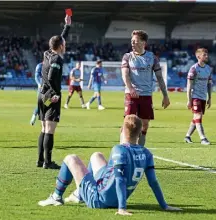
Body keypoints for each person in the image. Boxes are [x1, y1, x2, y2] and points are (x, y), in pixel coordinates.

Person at [38, 115, 182, 215]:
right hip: (116, 195)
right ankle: (80, 194)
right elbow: (153, 182)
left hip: (100, 200)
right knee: (96, 156)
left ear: (121, 130)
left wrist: (122, 208)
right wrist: (164, 205)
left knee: (71, 158)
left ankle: (56, 197)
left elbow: (119, 179)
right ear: (140, 134)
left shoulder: (119, 150)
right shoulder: (147, 153)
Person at [121, 30, 170, 146]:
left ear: (143, 43)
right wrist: (131, 88)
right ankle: (123, 150)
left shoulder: (152, 57)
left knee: (145, 124)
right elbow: (125, 74)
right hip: (131, 94)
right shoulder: (127, 57)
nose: (132, 43)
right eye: (131, 41)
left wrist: (165, 95)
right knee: (128, 123)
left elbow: (159, 77)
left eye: (135, 41)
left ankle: (140, 150)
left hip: (146, 95)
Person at [36, 14, 71, 169]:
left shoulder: (47, 53)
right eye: (64, 43)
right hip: (51, 95)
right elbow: (51, 77)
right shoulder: (57, 59)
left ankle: (40, 161)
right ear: (61, 46)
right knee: (50, 129)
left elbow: (59, 40)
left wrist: (67, 26)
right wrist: (54, 93)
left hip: (41, 94)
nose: (66, 44)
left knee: (44, 127)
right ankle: (48, 162)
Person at [184, 48, 212, 145]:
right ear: (198, 56)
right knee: (198, 116)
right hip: (195, 96)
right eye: (204, 55)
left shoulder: (208, 69)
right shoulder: (194, 69)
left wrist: (210, 98)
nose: (207, 56)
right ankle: (203, 138)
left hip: (203, 96)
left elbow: (209, 84)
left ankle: (187, 136)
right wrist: (189, 99)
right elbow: (189, 85)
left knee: (196, 118)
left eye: (207, 54)